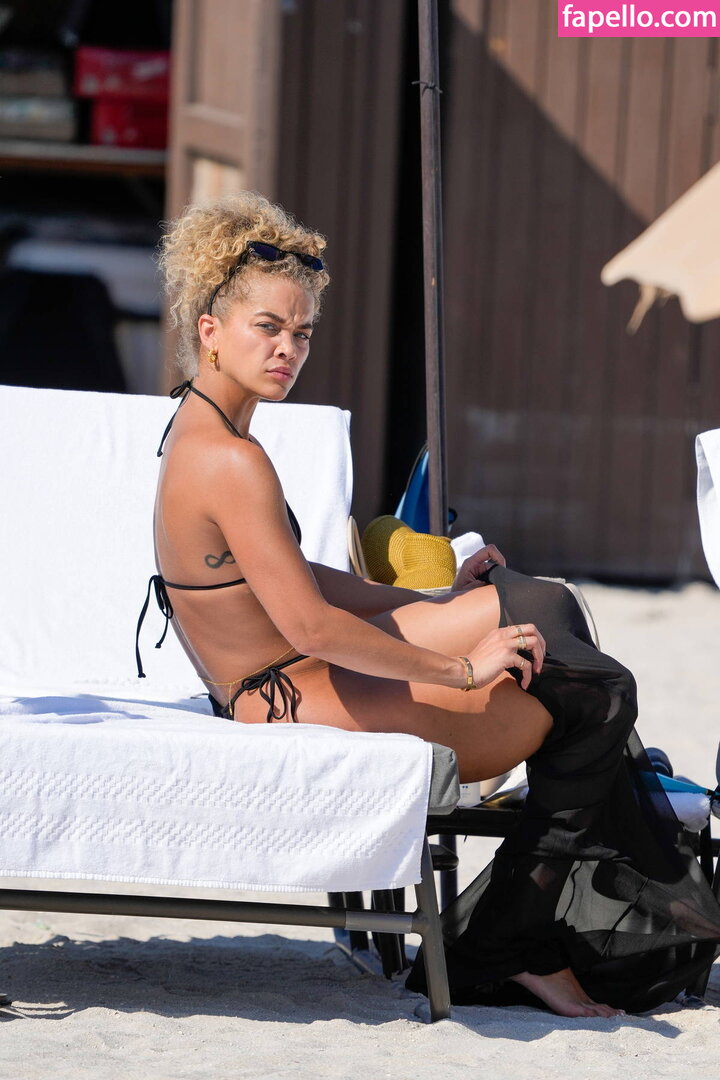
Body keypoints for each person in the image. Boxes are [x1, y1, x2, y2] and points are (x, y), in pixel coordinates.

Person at [138, 191, 720, 1019]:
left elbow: (297, 577)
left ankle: (540, 915)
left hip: (293, 669)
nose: (288, 349)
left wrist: (434, 595)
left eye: (302, 332)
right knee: (592, 700)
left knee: (540, 606)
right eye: (267, 327)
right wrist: (461, 669)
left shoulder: (210, 431)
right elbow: (309, 624)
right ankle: (512, 946)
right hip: (287, 690)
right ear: (210, 328)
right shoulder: (229, 460)